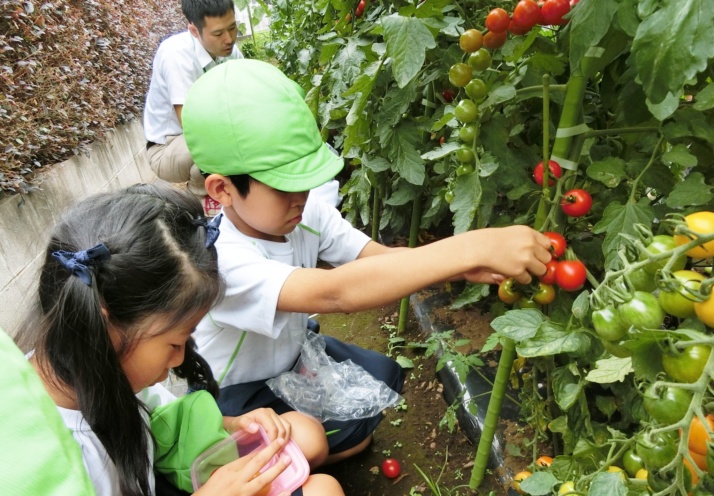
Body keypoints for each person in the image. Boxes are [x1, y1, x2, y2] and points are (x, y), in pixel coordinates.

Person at [180, 60, 553, 463]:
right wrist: (470, 248)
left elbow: (377, 258)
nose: (301, 196)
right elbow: (335, 292)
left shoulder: (304, 213)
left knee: (384, 377)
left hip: (290, 359)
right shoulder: (218, 260)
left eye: (306, 179)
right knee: (313, 444)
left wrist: (461, 266)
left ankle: (313, 449)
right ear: (223, 190)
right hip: (234, 393)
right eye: (284, 185)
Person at [17, 183, 343, 496]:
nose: (179, 360)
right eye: (175, 343)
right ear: (106, 327)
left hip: (159, 474)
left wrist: (231, 425)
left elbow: (157, 417)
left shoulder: (98, 366)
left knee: (305, 434)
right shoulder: (50, 464)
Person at [143, 0, 243, 217]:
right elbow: (192, 125)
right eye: (218, 34)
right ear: (194, 31)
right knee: (221, 144)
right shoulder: (176, 55)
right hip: (167, 148)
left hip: (203, 133)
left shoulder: (230, 52)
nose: (229, 39)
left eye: (233, 28)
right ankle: (198, 206)